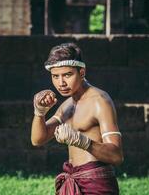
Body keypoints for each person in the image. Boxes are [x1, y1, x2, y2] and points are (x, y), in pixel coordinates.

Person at [31, 43, 123, 195]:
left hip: (96, 183)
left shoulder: (99, 101)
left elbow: (116, 155)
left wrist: (81, 141)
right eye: (55, 76)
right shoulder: (67, 105)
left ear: (81, 72)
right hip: (73, 179)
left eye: (67, 75)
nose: (61, 83)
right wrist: (39, 113)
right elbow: (37, 139)